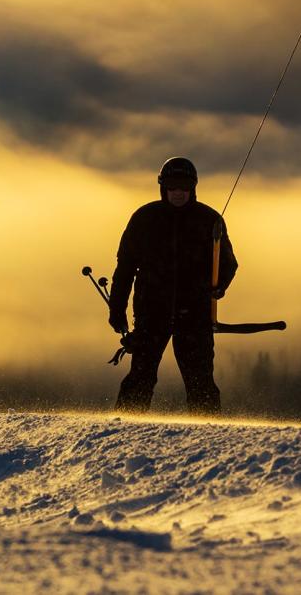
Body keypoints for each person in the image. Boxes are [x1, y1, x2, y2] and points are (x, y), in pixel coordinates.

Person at [108, 157, 237, 415]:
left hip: (195, 315)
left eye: (184, 186)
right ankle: (123, 429)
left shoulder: (210, 220)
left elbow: (228, 264)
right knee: (141, 376)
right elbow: (125, 269)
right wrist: (117, 308)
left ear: (193, 187)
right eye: (172, 186)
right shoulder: (144, 219)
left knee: (200, 380)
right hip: (151, 314)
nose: (178, 192)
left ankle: (209, 433)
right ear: (162, 187)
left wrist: (219, 286)